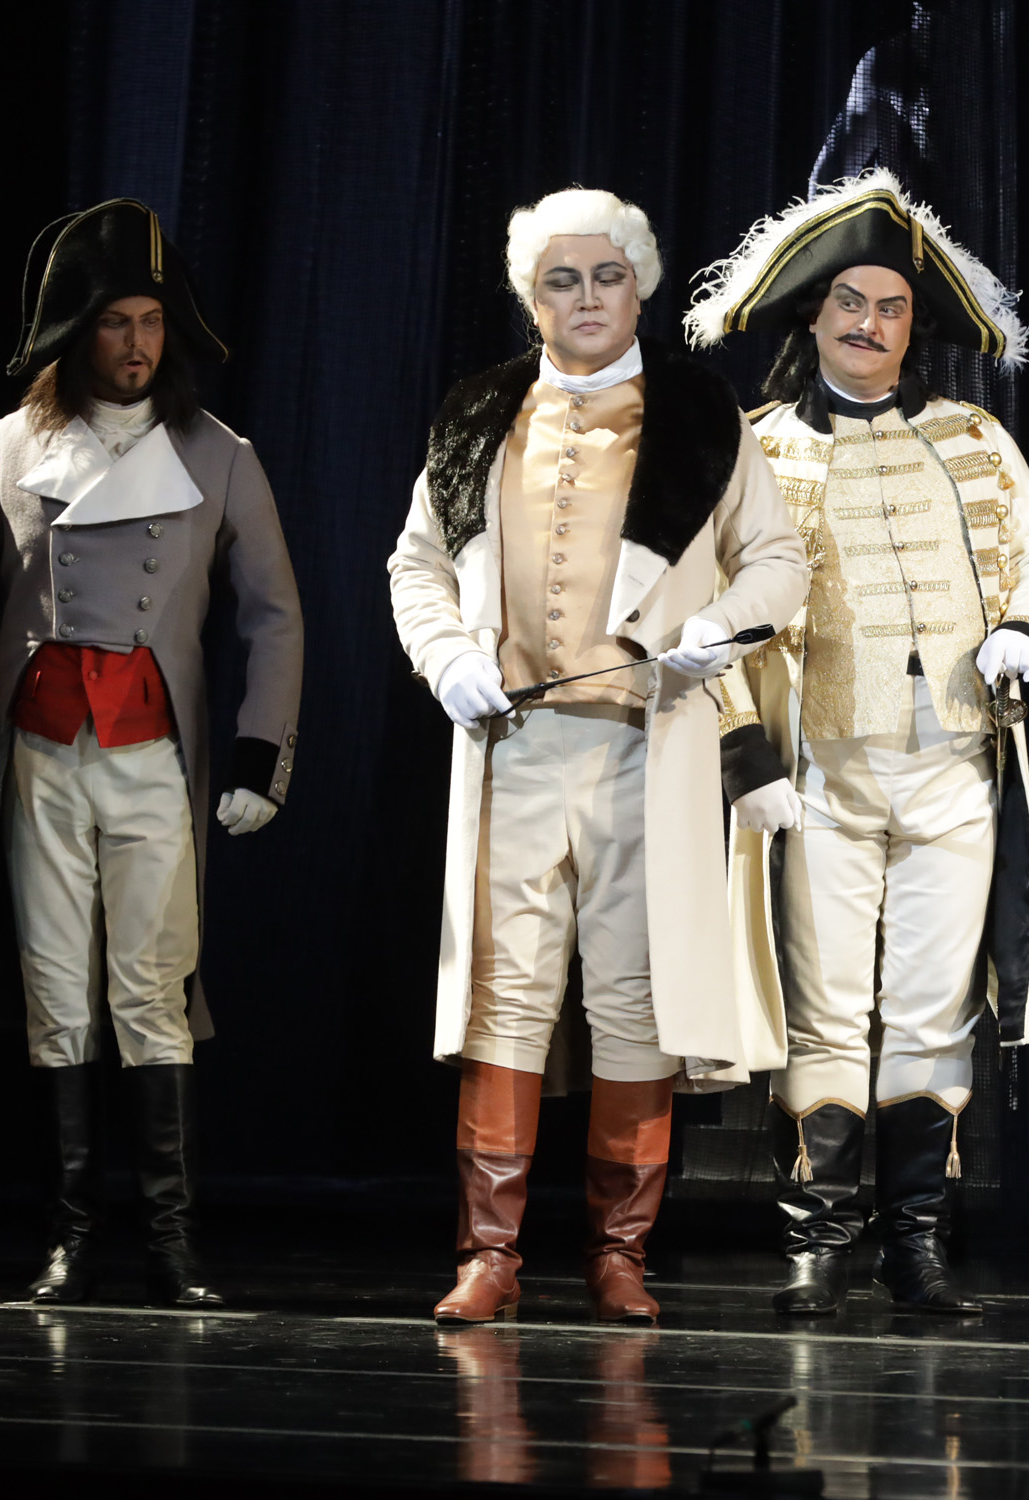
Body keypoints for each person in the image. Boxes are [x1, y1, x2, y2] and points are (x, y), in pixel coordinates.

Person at [387, 188, 806, 1326]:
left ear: (640, 287)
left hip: (645, 751)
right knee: (503, 996)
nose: (585, 298)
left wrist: (718, 629)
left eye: (606, 277)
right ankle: (489, 1253)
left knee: (638, 998)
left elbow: (777, 561)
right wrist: (446, 656)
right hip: (513, 748)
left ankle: (621, 1253)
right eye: (561, 281)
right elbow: (417, 563)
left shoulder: (700, 414)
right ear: (531, 298)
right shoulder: (478, 415)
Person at [684, 170, 1029, 1314]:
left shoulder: (973, 437)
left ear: (914, 326)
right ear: (812, 317)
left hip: (955, 765)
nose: (869, 323)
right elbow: (706, 604)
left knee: (933, 1009)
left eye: (891, 307)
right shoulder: (756, 449)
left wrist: (1023, 625)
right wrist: (746, 755)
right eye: (849, 303)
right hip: (822, 772)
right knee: (824, 1009)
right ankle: (817, 1244)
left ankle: (915, 1246)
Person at [0, 199, 305, 1306]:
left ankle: (173, 1245)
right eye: (113, 323)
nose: (136, 344)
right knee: (55, 988)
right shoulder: (5, 448)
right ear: (74, 333)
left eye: (150, 321)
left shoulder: (219, 456)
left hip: (150, 759)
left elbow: (275, 615)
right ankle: (71, 1236)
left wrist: (258, 753)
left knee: (150, 989)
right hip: (39, 754)